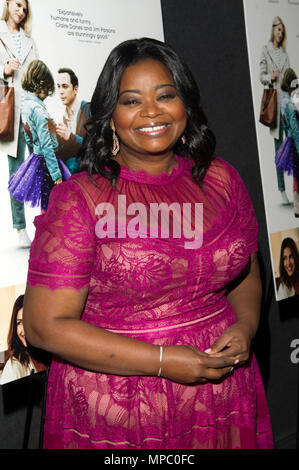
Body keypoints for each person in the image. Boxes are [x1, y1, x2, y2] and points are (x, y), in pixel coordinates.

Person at [23, 38, 273, 449]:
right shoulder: (81, 199)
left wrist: (245, 327)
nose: (152, 112)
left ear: (185, 105)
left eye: (165, 95)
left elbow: (244, 270)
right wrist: (162, 362)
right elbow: (43, 326)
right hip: (122, 408)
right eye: (131, 101)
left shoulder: (221, 180)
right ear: (110, 117)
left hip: (223, 390)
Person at [8, 60, 71, 212]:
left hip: (36, 160)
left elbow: (29, 138)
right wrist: (56, 175)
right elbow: (47, 146)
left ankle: (43, 232)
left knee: (45, 203)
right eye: (47, 91)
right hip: (48, 164)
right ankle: (48, 233)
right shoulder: (39, 111)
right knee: (54, 205)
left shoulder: (25, 106)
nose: (47, 95)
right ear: (40, 85)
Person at [0, 0, 38, 248]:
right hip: (11, 112)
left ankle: (47, 221)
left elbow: (38, 72)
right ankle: (20, 227)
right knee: (16, 172)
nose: (21, 11)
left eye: (24, 8)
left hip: (30, 110)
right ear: (7, 5)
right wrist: (4, 71)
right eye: (17, 5)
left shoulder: (29, 40)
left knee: (42, 164)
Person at [259, 16, 291, 205]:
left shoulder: (285, 54)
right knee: (279, 151)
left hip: (288, 106)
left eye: (282, 30)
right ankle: (282, 190)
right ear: (273, 30)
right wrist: (271, 76)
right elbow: (261, 76)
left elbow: (290, 78)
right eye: (278, 30)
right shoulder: (266, 50)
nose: (280, 33)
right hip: (276, 109)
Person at [0, 295, 50, 385]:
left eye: (28, 320)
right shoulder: (13, 367)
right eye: (19, 322)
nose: (24, 330)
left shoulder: (53, 355)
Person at [55, 67, 91, 174]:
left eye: (65, 87)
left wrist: (70, 137)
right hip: (74, 164)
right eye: (58, 87)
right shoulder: (64, 116)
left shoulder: (87, 109)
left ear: (76, 89)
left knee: (70, 164)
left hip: (88, 164)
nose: (61, 92)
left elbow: (94, 145)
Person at [280, 68, 299, 217]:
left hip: (288, 143)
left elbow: (286, 127)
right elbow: (295, 129)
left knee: (296, 176)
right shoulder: (291, 105)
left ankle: (297, 208)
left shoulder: (282, 101)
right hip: (295, 143)